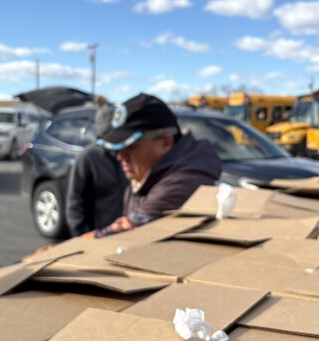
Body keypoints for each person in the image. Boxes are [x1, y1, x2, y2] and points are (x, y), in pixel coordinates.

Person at [91, 93, 221, 237]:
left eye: (131, 146)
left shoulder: (182, 183)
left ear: (166, 141)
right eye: (118, 149)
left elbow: (130, 234)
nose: (120, 156)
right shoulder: (146, 175)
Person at [65, 99, 128, 236]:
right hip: (96, 236)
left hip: (122, 233)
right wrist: (81, 236)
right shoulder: (88, 158)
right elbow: (74, 203)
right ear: (103, 134)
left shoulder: (126, 155)